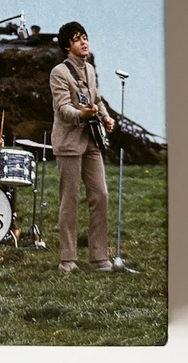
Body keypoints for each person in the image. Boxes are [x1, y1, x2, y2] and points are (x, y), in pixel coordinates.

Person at [50, 21, 115, 272]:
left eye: (85, 37)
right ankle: (68, 259)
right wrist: (82, 114)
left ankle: (99, 257)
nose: (84, 42)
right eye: (78, 39)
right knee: (71, 200)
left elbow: (96, 98)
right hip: (68, 143)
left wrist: (106, 116)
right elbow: (63, 108)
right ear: (68, 46)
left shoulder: (89, 69)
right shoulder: (59, 72)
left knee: (100, 195)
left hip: (91, 140)